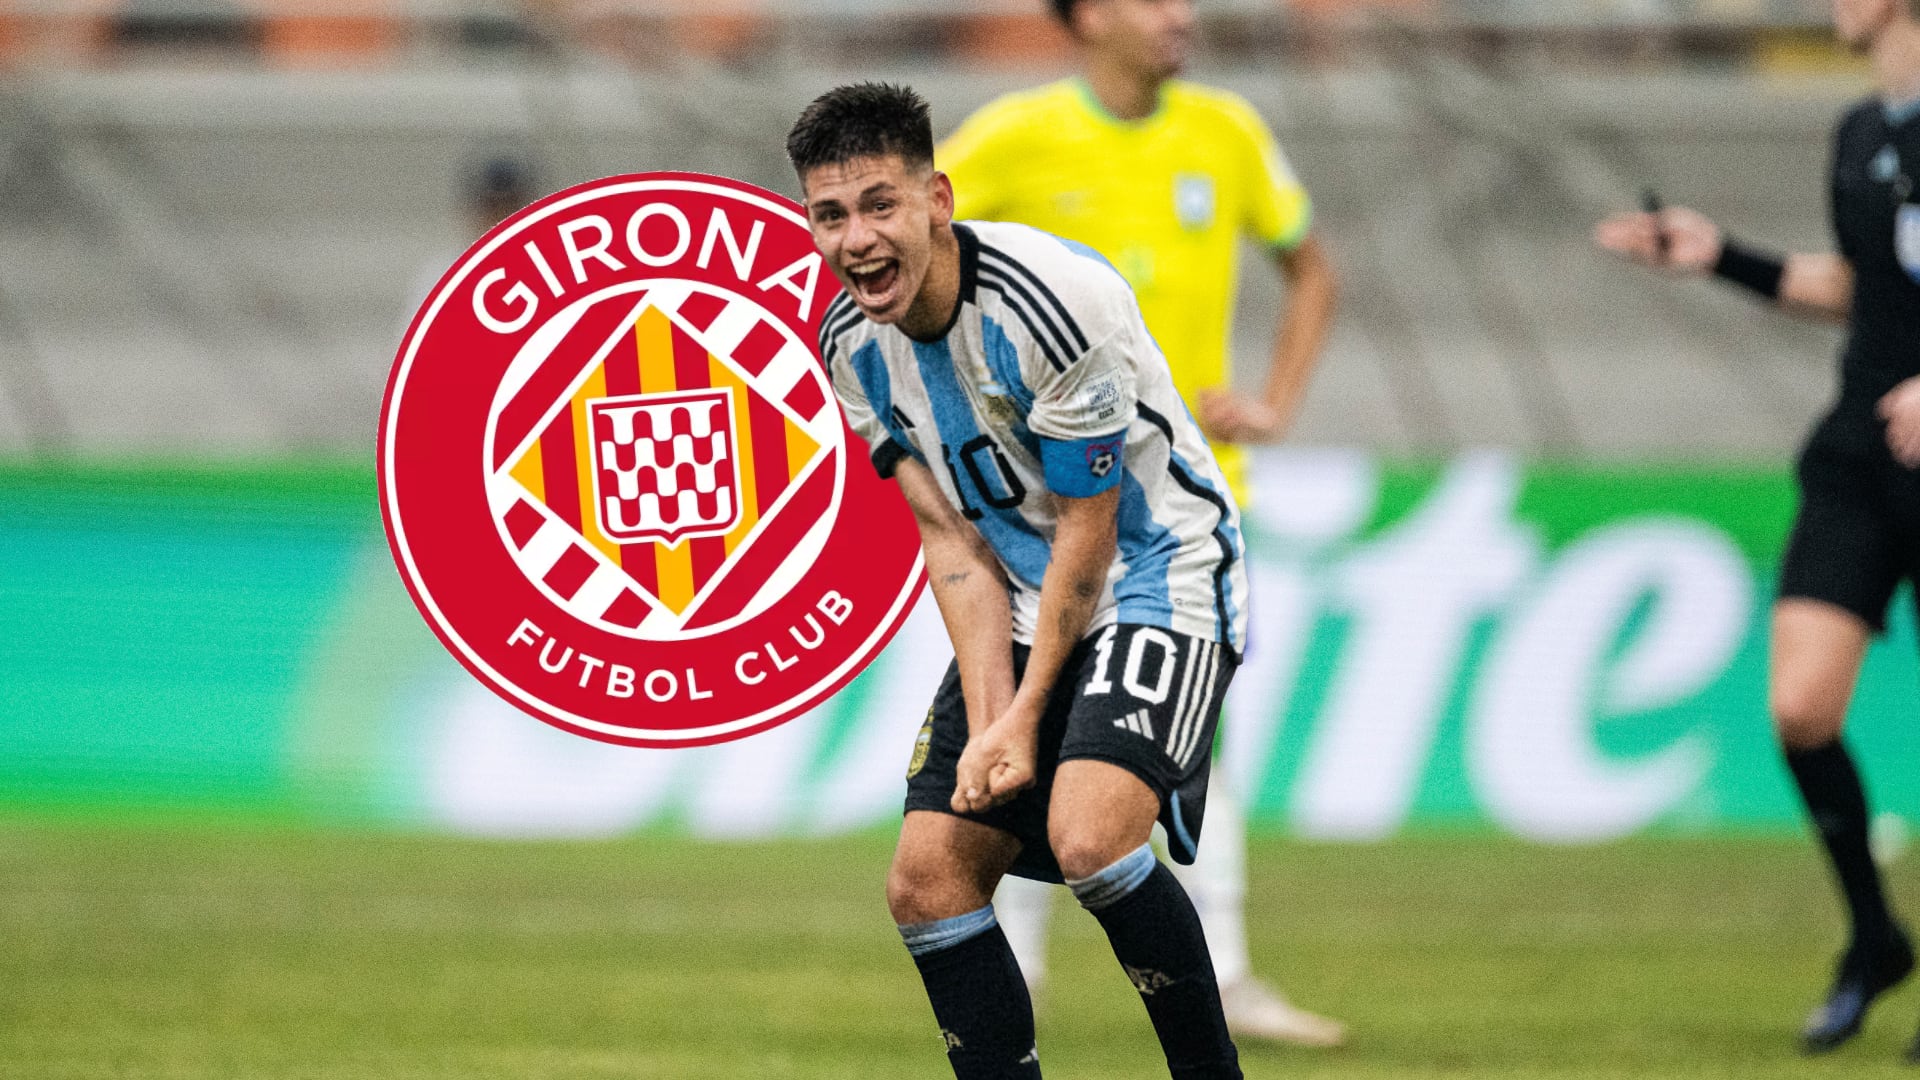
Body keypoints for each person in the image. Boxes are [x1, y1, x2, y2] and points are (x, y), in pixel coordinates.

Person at [788, 82, 1250, 1079]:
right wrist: (996, 717)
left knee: (1089, 837)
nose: (856, 238)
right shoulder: (845, 348)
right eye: (830, 214)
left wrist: (1027, 706)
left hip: (1157, 572)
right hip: (1030, 592)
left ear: (938, 200)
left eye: (880, 205)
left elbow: (1091, 527)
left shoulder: (1052, 300)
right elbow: (951, 540)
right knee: (926, 881)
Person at [935, 0, 1344, 1047]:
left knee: (1203, 745)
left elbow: (1311, 268)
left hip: (1191, 507)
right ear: (1085, 19)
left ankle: (1233, 969)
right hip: (1043, 510)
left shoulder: (1227, 130)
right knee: (1026, 730)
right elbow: (909, 239)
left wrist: (1275, 401)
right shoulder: (1018, 136)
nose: (1181, 15)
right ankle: (1017, 967)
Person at [1595, 0, 1920, 1058]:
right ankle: (1875, 939)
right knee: (1800, 708)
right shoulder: (1863, 130)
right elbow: (1858, 288)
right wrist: (1718, 253)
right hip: (1861, 453)